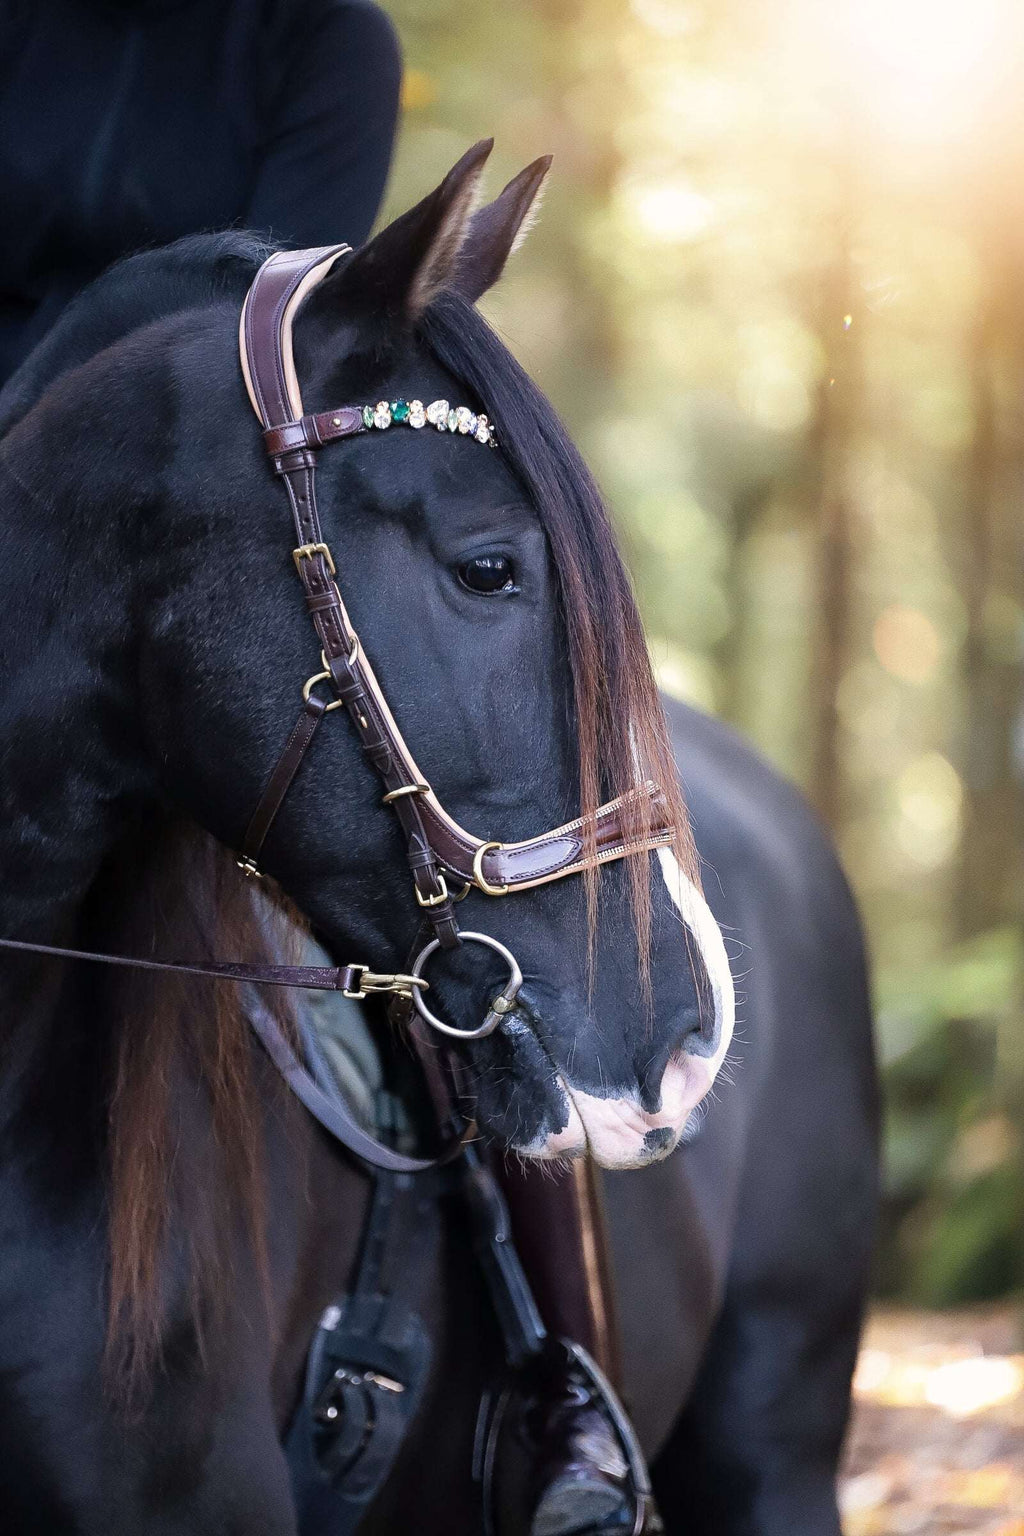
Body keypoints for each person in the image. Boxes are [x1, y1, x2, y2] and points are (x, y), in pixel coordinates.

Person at [0, 3, 641, 1527]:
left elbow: (277, 332)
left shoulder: (318, 42)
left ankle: (562, 1384)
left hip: (185, 541)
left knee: (424, 868)